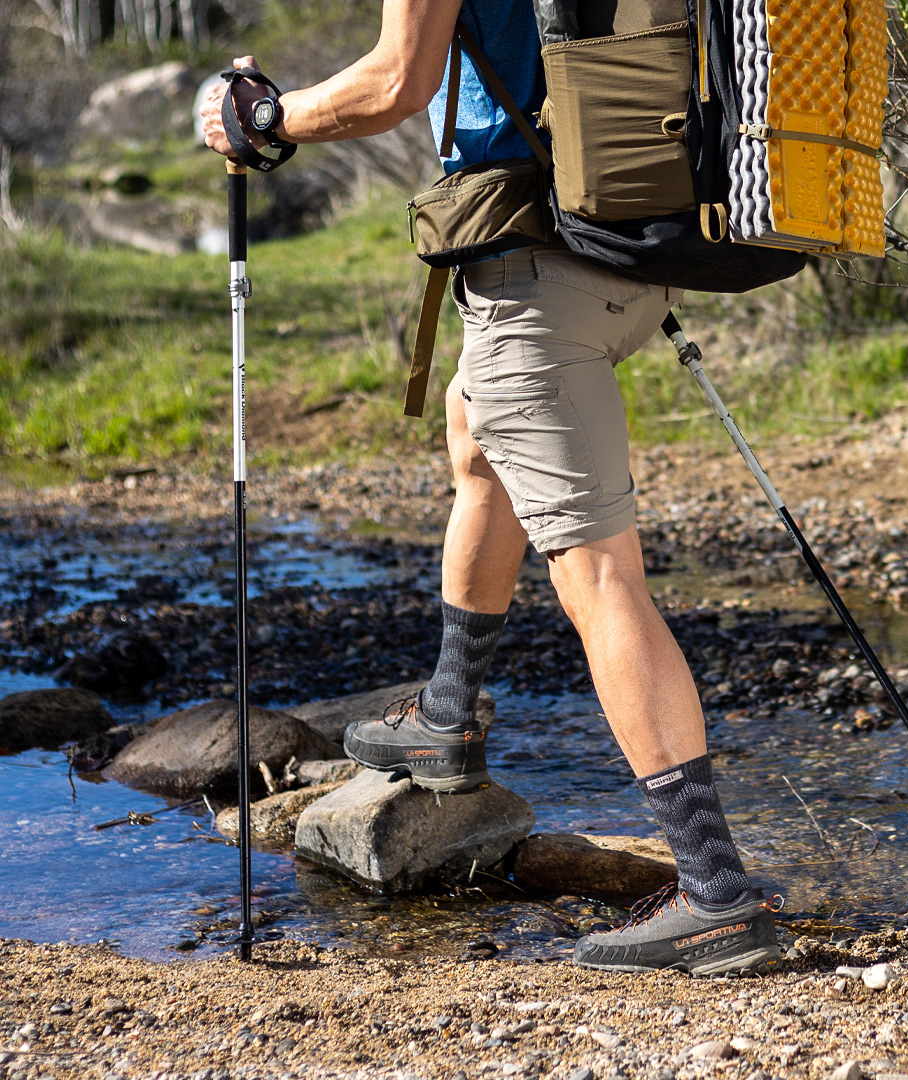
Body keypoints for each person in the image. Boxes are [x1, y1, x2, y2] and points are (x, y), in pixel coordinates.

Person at [201, 0, 781, 977]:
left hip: (534, 277)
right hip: (627, 247)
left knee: (599, 577)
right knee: (477, 444)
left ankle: (717, 900)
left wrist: (262, 120)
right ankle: (448, 719)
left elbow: (397, 82)